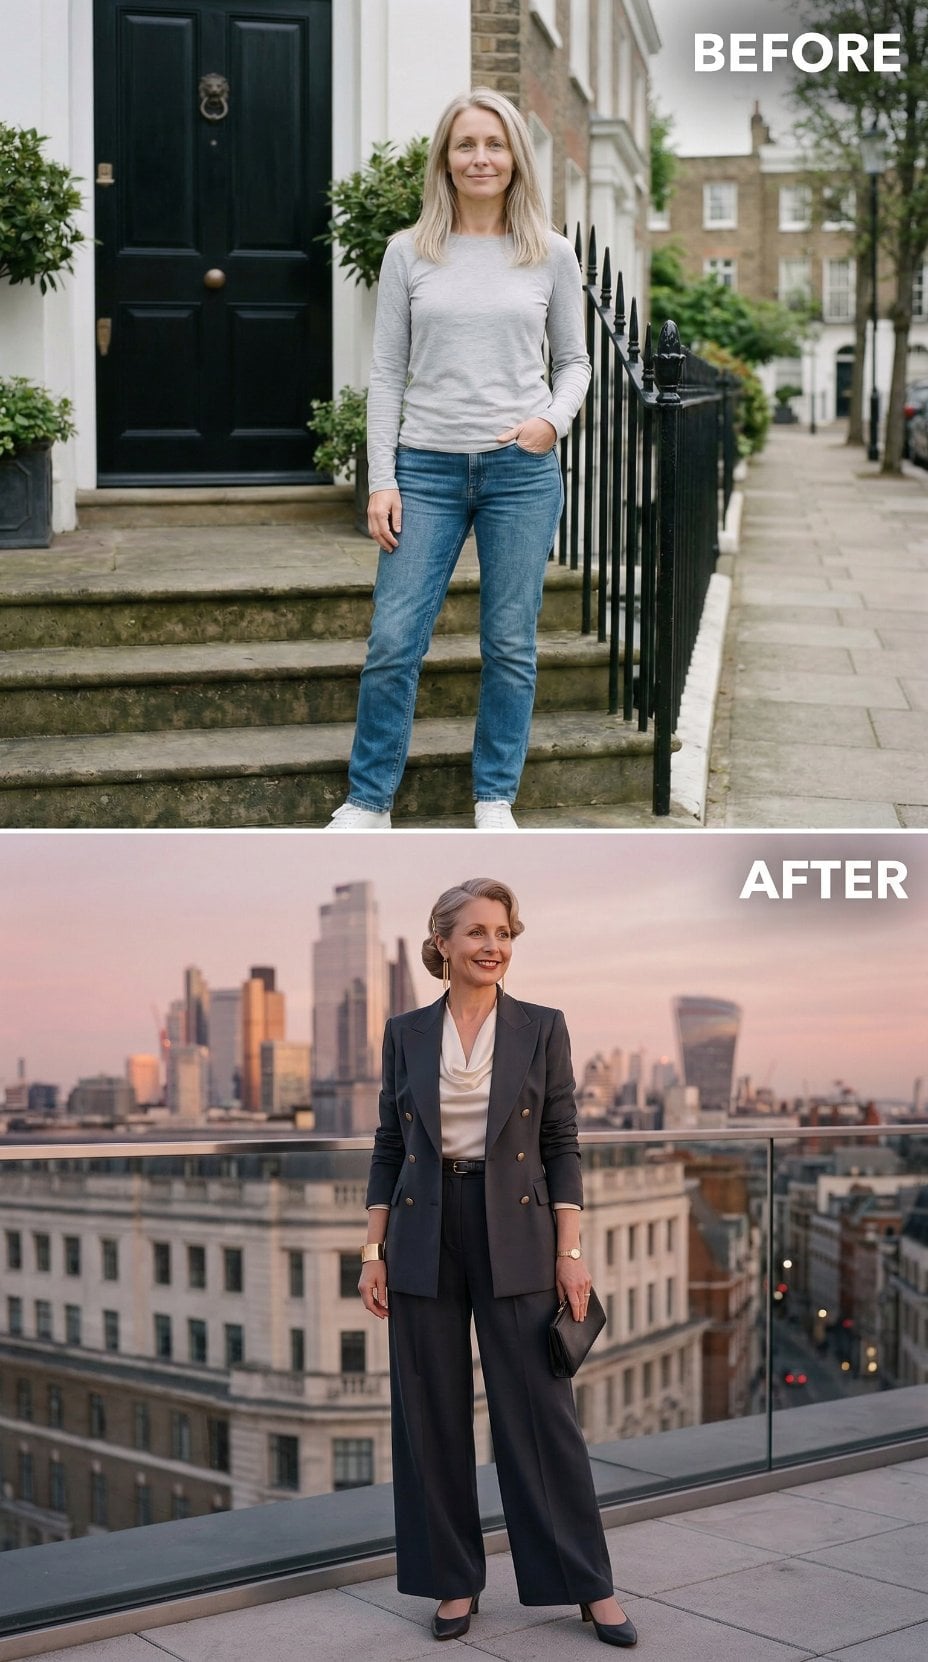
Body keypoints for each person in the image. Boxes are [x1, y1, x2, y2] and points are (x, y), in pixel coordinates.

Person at [358, 878, 637, 1647]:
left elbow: (561, 1142)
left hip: (516, 1229)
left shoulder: (542, 1026)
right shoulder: (406, 1032)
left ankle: (589, 1585)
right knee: (429, 1415)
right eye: (478, 931)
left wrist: (569, 1252)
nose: (494, 946)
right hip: (422, 1229)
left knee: (542, 1416)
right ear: (442, 943)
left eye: (504, 933)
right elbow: (389, 1145)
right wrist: (374, 1250)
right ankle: (452, 1582)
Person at [328, 90, 591, 833]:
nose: (481, 158)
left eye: (495, 144)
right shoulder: (409, 251)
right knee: (392, 641)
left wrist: (550, 423)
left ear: (516, 158)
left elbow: (574, 362)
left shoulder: (551, 252)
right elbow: (387, 372)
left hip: (519, 473)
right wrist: (382, 479)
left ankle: (494, 796)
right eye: (466, 144)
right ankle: (368, 802)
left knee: (509, 644)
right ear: (445, 159)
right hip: (426, 471)